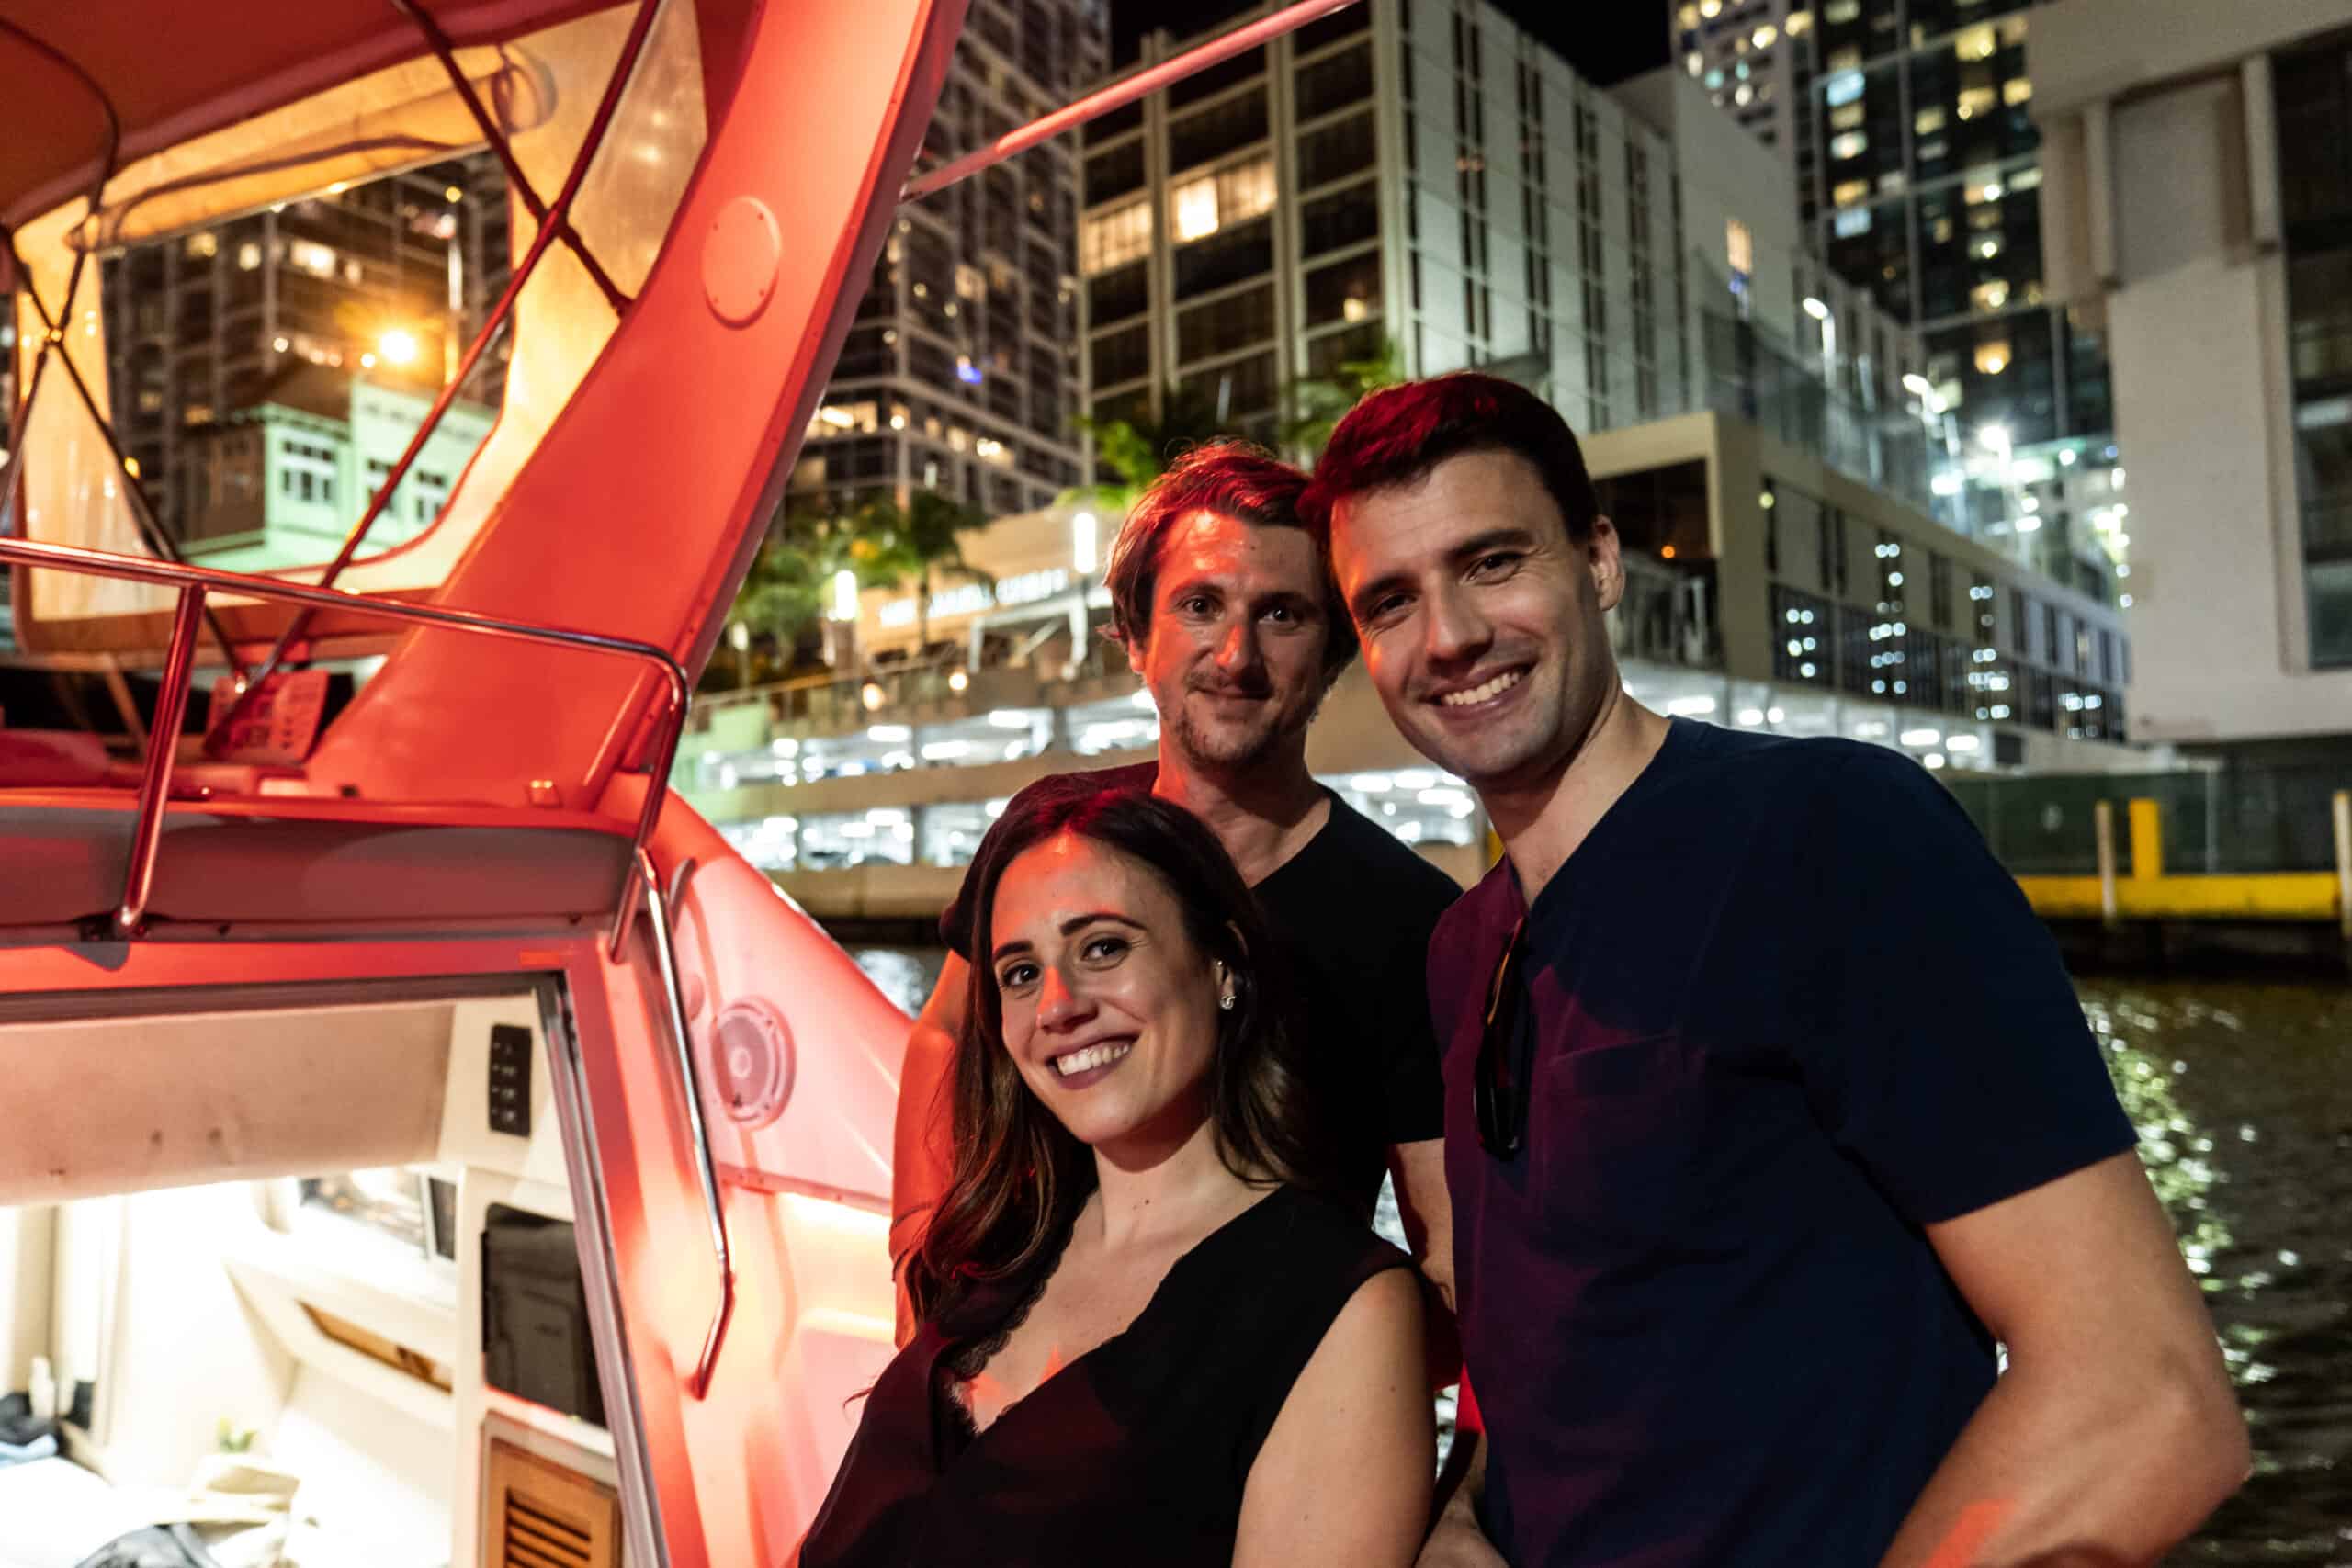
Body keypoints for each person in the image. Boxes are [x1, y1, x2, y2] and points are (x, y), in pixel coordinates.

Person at [1304, 372, 2248, 1568]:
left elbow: (2147, 1396)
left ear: (1599, 561)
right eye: (1390, 600)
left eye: (1492, 560)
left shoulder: (1829, 834)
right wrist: (1461, 1515)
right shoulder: (1462, 947)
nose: (1448, 635)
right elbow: (1557, 1354)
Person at [891, 440, 1463, 1343]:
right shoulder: (1048, 840)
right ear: (1136, 637)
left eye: (1282, 615)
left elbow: (1447, 1260)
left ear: (1333, 654)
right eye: (1199, 606)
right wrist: (915, 1256)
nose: (1235, 656)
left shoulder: (1413, 923)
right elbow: (946, 1032)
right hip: (1015, 1359)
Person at [798, 784, 1433, 1567]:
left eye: (1103, 947)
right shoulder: (1001, 1243)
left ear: (1221, 964)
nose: (1058, 1006)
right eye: (1021, 972)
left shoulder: (1339, 1312)